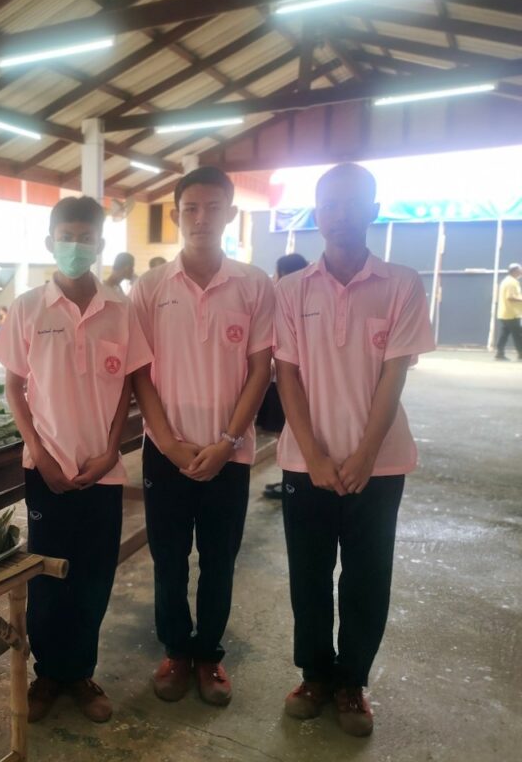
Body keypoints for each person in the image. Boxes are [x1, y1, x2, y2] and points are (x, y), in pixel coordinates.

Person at [274, 163, 434, 737]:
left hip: (380, 464)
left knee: (367, 577)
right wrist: (315, 455)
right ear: (317, 213)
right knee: (309, 576)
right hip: (305, 463)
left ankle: (352, 683)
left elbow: (395, 374)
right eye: (328, 204)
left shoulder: (401, 284)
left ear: (373, 210)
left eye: (351, 202)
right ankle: (315, 675)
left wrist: (366, 454)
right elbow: (287, 375)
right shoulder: (291, 290)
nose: (339, 214)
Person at [0, 196, 152, 725]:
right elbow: (14, 389)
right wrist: (39, 454)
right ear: (50, 242)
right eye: (67, 237)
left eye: (86, 238)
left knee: (94, 575)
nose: (76, 247)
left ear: (100, 244)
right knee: (45, 575)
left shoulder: (121, 311)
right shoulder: (28, 308)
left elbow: (128, 388)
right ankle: (47, 675)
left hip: (103, 472)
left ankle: (80, 672)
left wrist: (110, 452)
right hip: (47, 470)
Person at [131, 166, 275, 709]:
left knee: (219, 559)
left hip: (228, 453)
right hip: (165, 452)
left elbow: (260, 370)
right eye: (190, 208)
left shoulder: (253, 285)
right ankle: (175, 651)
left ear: (230, 214)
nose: (201, 218)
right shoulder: (150, 288)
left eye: (214, 208)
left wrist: (227, 440)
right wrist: (168, 442)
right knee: (168, 559)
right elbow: (140, 374)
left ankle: (209, 653)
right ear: (176, 215)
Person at [259, 253, 310, 499]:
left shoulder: (281, 296)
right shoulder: (311, 296)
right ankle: (290, 479)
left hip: (283, 382)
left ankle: (290, 480)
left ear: (280, 273)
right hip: (302, 384)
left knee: (286, 433)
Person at [494, 262, 522, 360]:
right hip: (512, 313)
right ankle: (521, 354)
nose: (521, 271)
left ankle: (499, 353)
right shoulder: (512, 282)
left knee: (504, 334)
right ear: (515, 271)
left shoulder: (506, 281)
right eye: (520, 270)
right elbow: (510, 297)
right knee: (518, 335)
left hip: (505, 313)